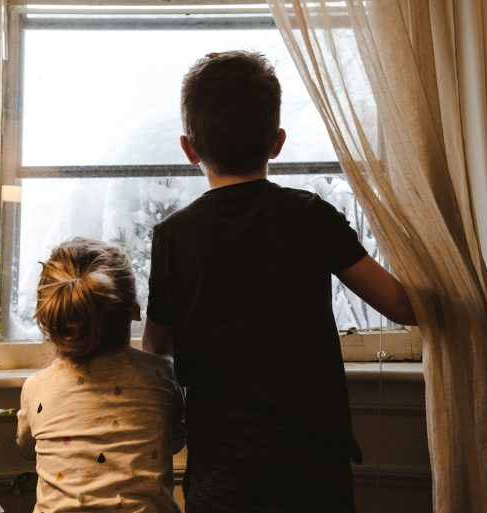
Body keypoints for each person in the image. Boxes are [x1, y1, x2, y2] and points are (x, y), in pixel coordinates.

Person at [142, 51, 416, 513]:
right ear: (277, 142)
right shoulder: (309, 215)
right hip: (313, 465)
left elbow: (155, 349)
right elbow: (401, 305)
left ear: (189, 149)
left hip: (221, 470)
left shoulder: (173, 236)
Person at [16, 237, 185, 513]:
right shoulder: (162, 377)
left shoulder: (36, 389)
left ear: (51, 321)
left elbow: (25, 446)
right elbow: (175, 441)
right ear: (135, 310)